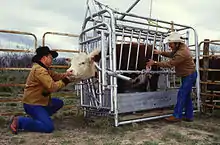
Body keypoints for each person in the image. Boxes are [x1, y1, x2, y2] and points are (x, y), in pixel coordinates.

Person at [9, 46, 73, 134]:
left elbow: (56, 76)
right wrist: (65, 81)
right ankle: (19, 121)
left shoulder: (44, 69)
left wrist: (66, 74)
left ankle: (40, 117)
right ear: (44, 58)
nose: (52, 60)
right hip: (33, 104)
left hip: (40, 101)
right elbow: (52, 87)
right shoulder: (40, 70)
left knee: (58, 103)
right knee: (48, 127)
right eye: (51, 58)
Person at [146, 31, 197, 122]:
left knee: (182, 94)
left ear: (177, 43)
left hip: (189, 75)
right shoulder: (180, 48)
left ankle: (177, 116)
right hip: (187, 74)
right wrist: (160, 52)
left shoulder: (182, 53)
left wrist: (155, 63)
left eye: (171, 44)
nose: (170, 46)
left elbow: (170, 64)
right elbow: (171, 54)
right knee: (186, 95)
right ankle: (189, 116)